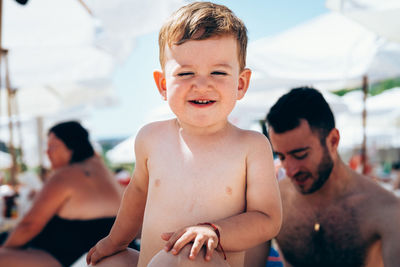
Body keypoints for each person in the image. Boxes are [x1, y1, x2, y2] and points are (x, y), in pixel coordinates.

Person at [86, 2, 282, 267]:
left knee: (187, 256)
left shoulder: (251, 146)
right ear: (163, 85)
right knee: (108, 262)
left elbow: (266, 218)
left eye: (218, 72)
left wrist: (214, 231)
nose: (202, 83)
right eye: (186, 73)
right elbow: (137, 195)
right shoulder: (150, 138)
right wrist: (114, 242)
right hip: (150, 262)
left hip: (208, 261)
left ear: (240, 83)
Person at [265, 87, 400, 267]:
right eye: (281, 157)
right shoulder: (276, 201)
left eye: (300, 155)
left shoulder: (384, 210)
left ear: (333, 141)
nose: (289, 170)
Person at [0, 121, 123, 267]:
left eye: (53, 146)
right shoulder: (103, 170)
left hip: (71, 256)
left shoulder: (65, 175)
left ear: (71, 146)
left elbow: (28, 226)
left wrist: (5, 250)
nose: (48, 152)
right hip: (102, 250)